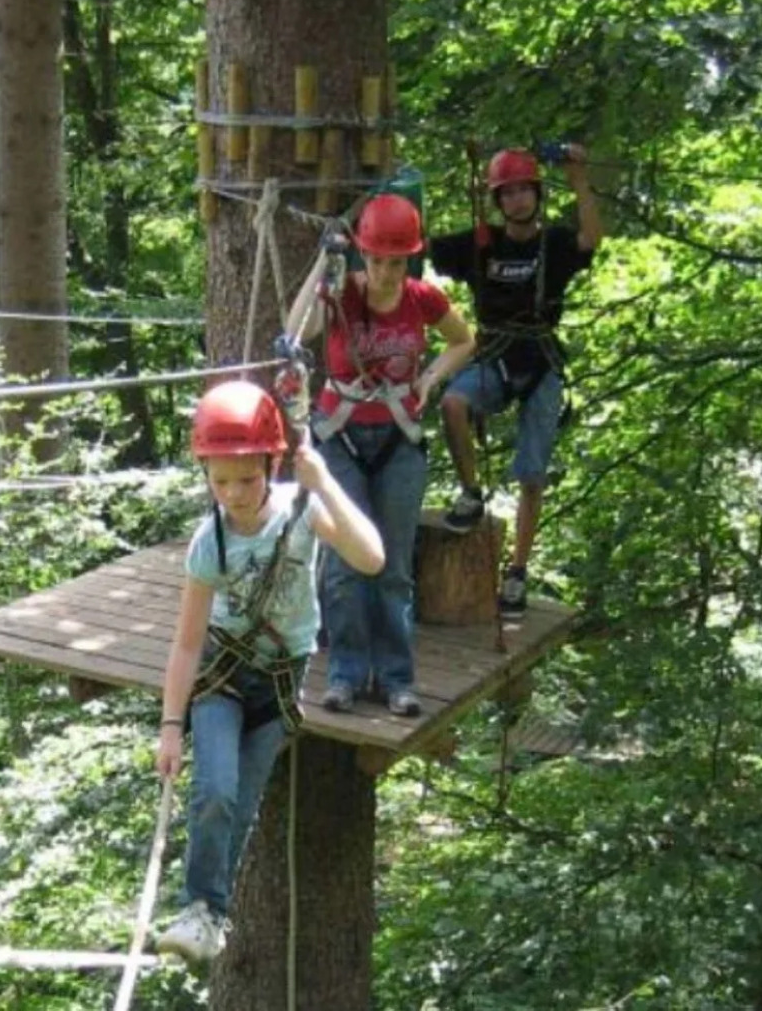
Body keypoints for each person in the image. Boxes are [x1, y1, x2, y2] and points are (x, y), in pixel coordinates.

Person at [154, 380, 384, 962]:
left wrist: (324, 481)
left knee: (242, 804)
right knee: (214, 794)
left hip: (281, 682)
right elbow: (186, 646)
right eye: (219, 480)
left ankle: (214, 918)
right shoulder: (210, 543)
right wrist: (170, 725)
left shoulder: (303, 513)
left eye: (247, 479)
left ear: (271, 463)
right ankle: (198, 908)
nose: (233, 493)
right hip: (222, 679)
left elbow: (371, 558)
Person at [300, 193, 476, 717]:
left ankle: (398, 679)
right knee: (344, 563)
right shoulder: (340, 295)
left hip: (398, 438)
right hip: (341, 438)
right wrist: (322, 268)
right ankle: (346, 675)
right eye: (375, 259)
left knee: (394, 566)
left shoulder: (422, 298)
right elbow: (296, 329)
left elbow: (463, 340)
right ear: (362, 255)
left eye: (395, 261)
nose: (383, 272)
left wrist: (429, 377)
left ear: (409, 260)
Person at [428, 143, 603, 619]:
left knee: (531, 473)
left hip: (540, 361)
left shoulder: (556, 244)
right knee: (452, 404)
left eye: (526, 191)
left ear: (537, 196)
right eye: (509, 194)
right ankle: (471, 492)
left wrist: (579, 178)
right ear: (498, 201)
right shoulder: (481, 243)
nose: (518, 201)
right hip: (496, 355)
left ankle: (517, 572)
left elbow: (591, 237)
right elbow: (418, 245)